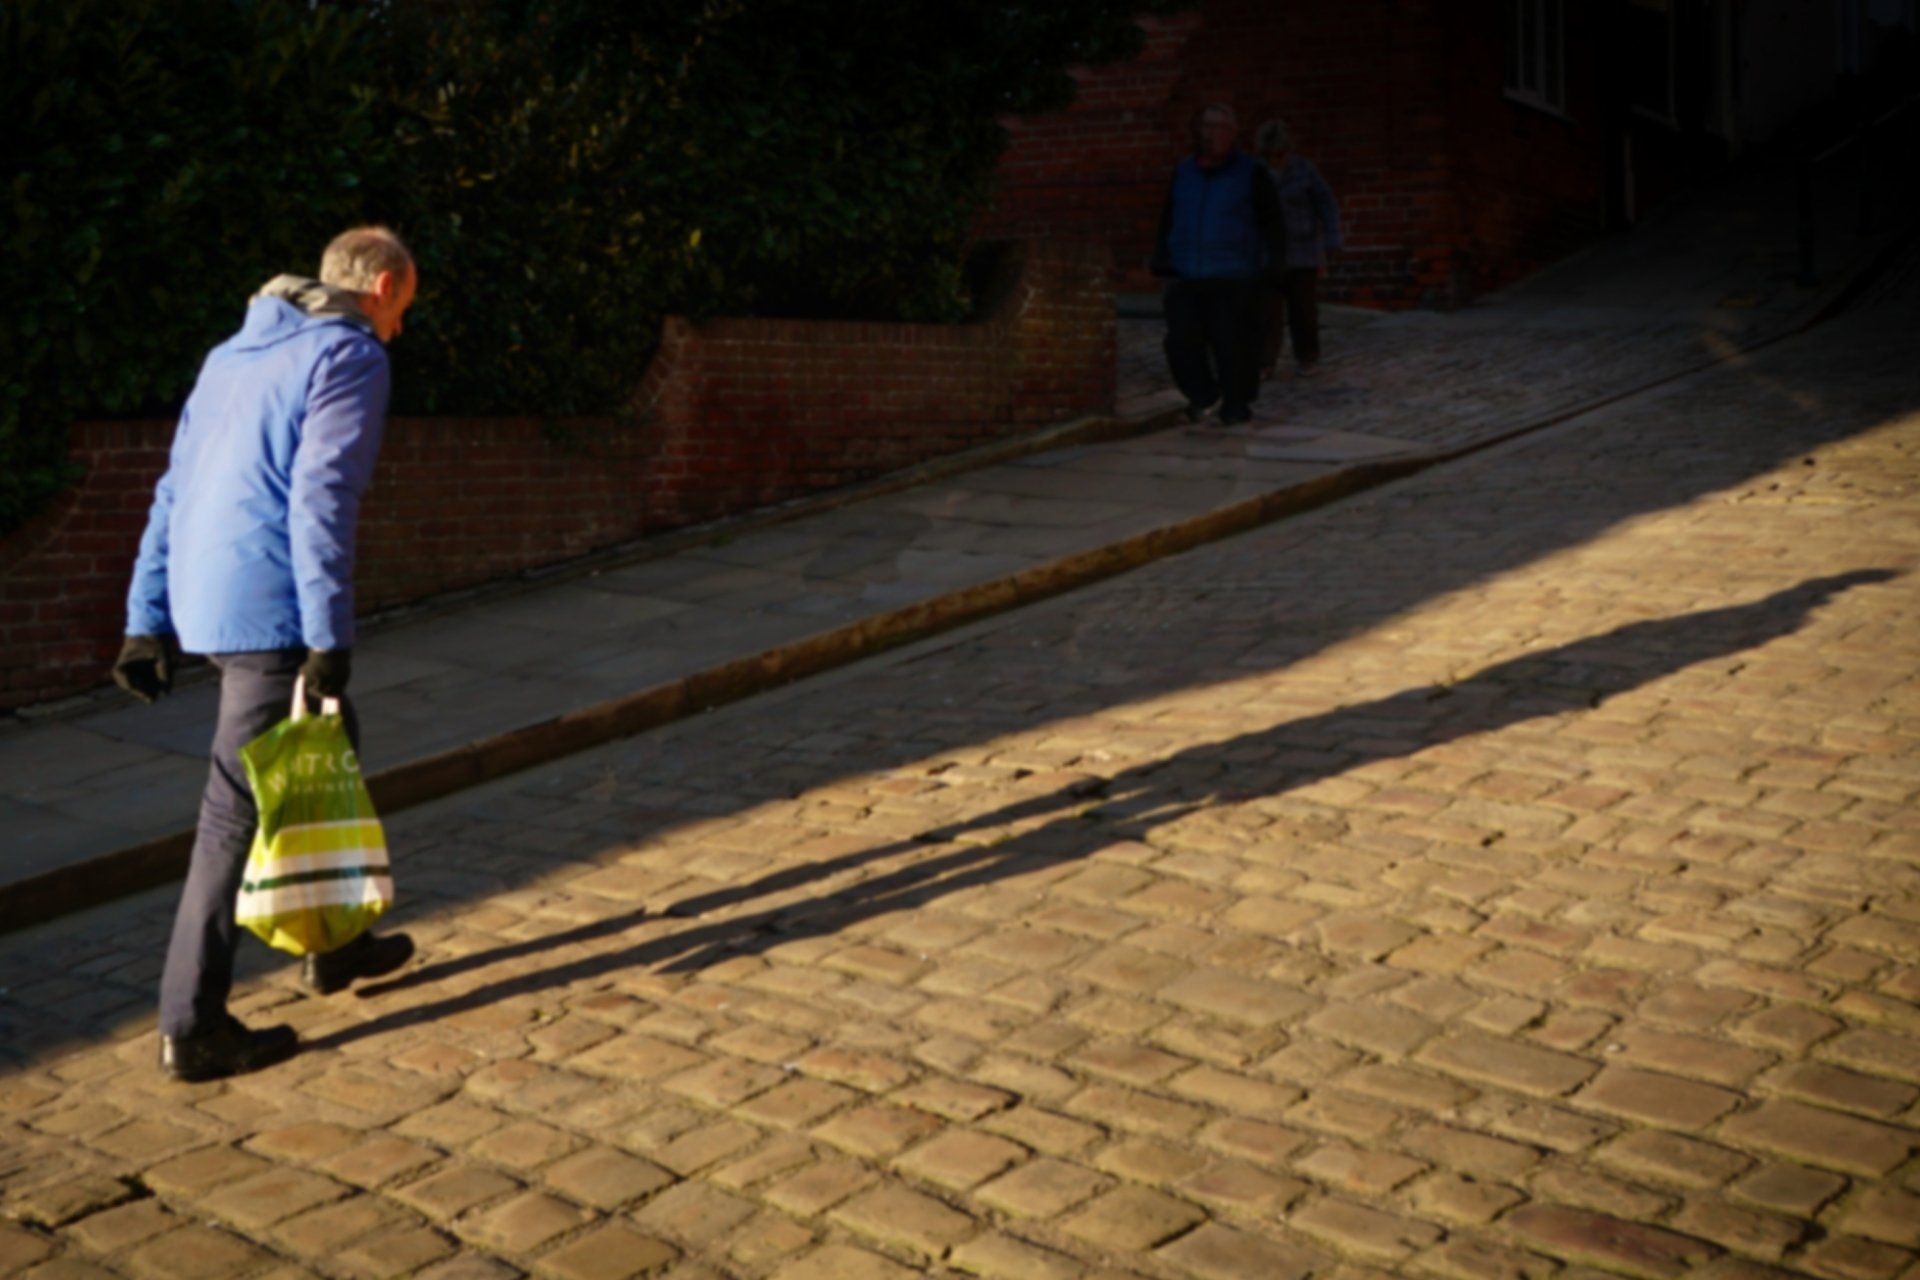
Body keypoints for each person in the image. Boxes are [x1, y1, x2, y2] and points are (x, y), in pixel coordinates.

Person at [115, 226, 421, 1082]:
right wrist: (328, 635)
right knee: (233, 813)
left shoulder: (229, 357)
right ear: (384, 288)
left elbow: (174, 488)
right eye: (404, 307)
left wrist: (146, 619)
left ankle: (336, 944)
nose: (401, 325)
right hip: (274, 612)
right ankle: (191, 1025)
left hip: (208, 601)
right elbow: (322, 496)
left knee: (331, 744)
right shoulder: (349, 355)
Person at [1152, 103, 1287, 426]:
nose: (1212, 134)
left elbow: (1273, 223)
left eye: (1220, 128)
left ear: (1232, 134)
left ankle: (1236, 403)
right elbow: (1169, 216)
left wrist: (1273, 265)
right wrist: (1163, 255)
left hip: (1234, 272)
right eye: (1207, 126)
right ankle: (1203, 394)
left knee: (1233, 344)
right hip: (1187, 272)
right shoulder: (1184, 172)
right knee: (1180, 342)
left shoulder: (1250, 173)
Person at [1254, 119, 1342, 379]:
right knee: (1267, 312)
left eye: (1279, 154)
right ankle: (1264, 361)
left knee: (1303, 311)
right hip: (1267, 253)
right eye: (1269, 155)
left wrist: (1331, 237)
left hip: (1302, 251)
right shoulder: (1255, 173)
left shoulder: (1304, 170)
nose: (1274, 160)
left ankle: (1307, 357)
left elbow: (1326, 203)